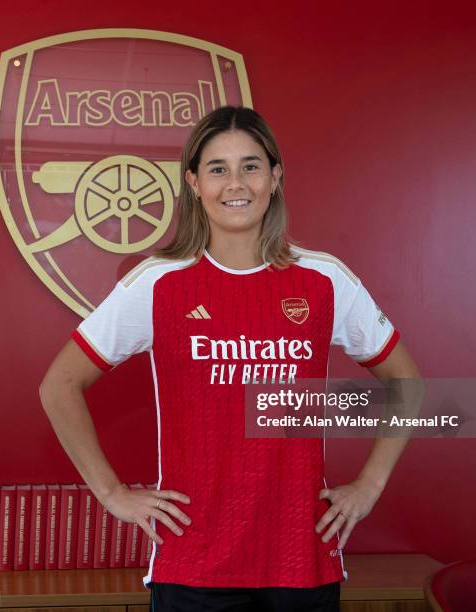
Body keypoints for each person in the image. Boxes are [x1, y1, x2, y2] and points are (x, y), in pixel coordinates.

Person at [39, 106, 421, 612]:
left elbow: (407, 382)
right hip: (192, 564)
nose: (235, 182)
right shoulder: (159, 284)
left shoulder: (324, 280)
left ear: (275, 177)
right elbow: (58, 385)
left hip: (298, 561)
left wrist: (369, 486)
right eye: (218, 168)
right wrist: (112, 494)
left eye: (251, 165)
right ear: (194, 182)